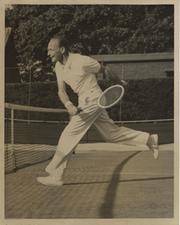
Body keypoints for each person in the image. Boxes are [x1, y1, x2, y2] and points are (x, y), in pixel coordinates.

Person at [37, 34, 159, 186]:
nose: (48, 53)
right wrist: (69, 105)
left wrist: (120, 82)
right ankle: (149, 139)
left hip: (94, 98)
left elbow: (105, 70)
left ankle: (55, 171)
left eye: (51, 50)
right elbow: (61, 91)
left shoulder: (81, 61)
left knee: (69, 133)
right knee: (111, 134)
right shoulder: (58, 67)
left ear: (61, 49)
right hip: (84, 101)